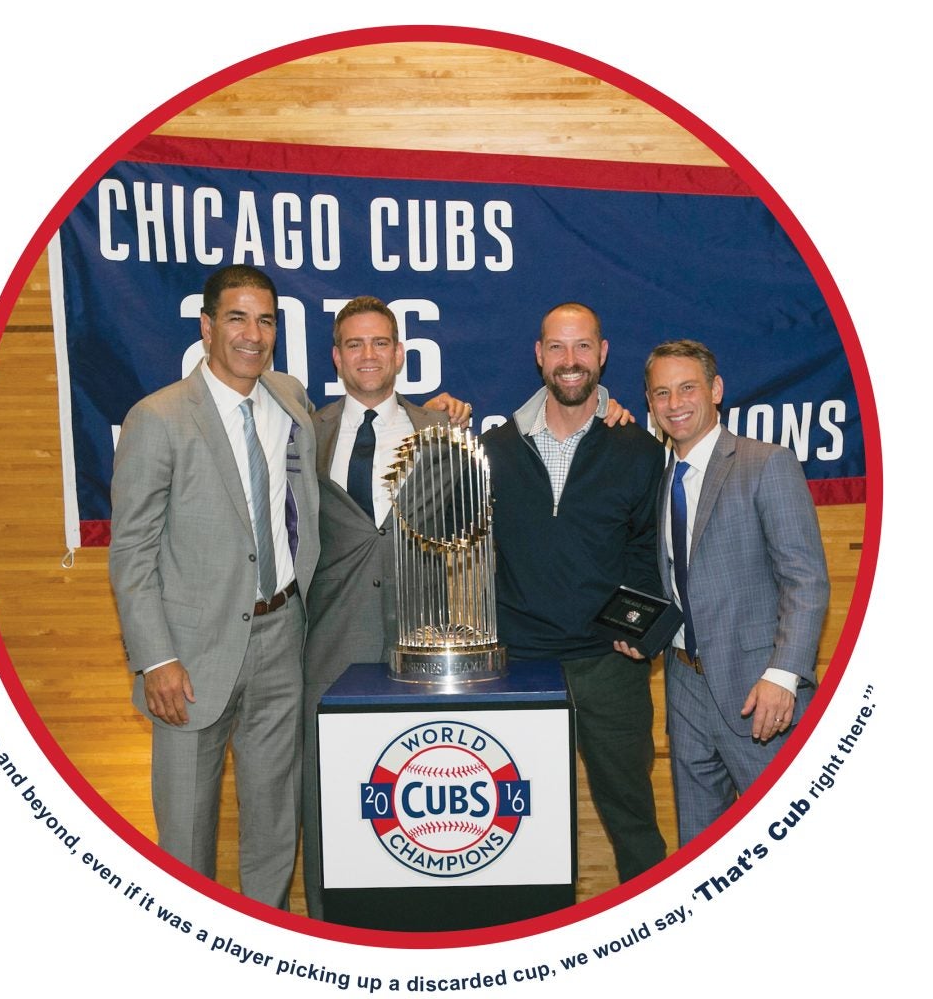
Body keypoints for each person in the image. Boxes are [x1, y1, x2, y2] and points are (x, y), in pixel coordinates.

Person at [109, 264, 319, 909]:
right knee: (187, 831)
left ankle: (269, 938)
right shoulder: (160, 418)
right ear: (206, 327)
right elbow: (132, 551)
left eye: (265, 320)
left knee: (274, 822)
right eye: (236, 317)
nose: (252, 334)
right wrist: (156, 659)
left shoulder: (289, 398)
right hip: (190, 658)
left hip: (283, 636)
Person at [481, 302, 668, 884]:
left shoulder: (638, 449)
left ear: (602, 354)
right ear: (539, 355)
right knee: (519, 826)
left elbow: (648, 552)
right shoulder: (494, 450)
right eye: (557, 348)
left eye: (582, 347)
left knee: (633, 817)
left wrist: (636, 634)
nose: (570, 361)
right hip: (522, 667)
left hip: (608, 668)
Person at [620, 339, 829, 846]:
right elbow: (679, 580)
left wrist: (783, 676)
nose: (675, 403)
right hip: (684, 687)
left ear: (716, 390)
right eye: (661, 393)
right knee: (699, 848)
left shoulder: (765, 463)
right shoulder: (661, 476)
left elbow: (806, 580)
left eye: (688, 388)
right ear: (649, 403)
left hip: (758, 692)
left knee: (782, 844)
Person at [300, 296, 469, 919]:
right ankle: (328, 921)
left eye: (380, 344)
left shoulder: (443, 432)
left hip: (421, 642)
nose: (368, 356)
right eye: (354, 344)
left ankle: (421, 926)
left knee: (420, 787)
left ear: (401, 355)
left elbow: (467, 534)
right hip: (328, 639)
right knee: (328, 789)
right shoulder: (305, 431)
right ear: (337, 357)